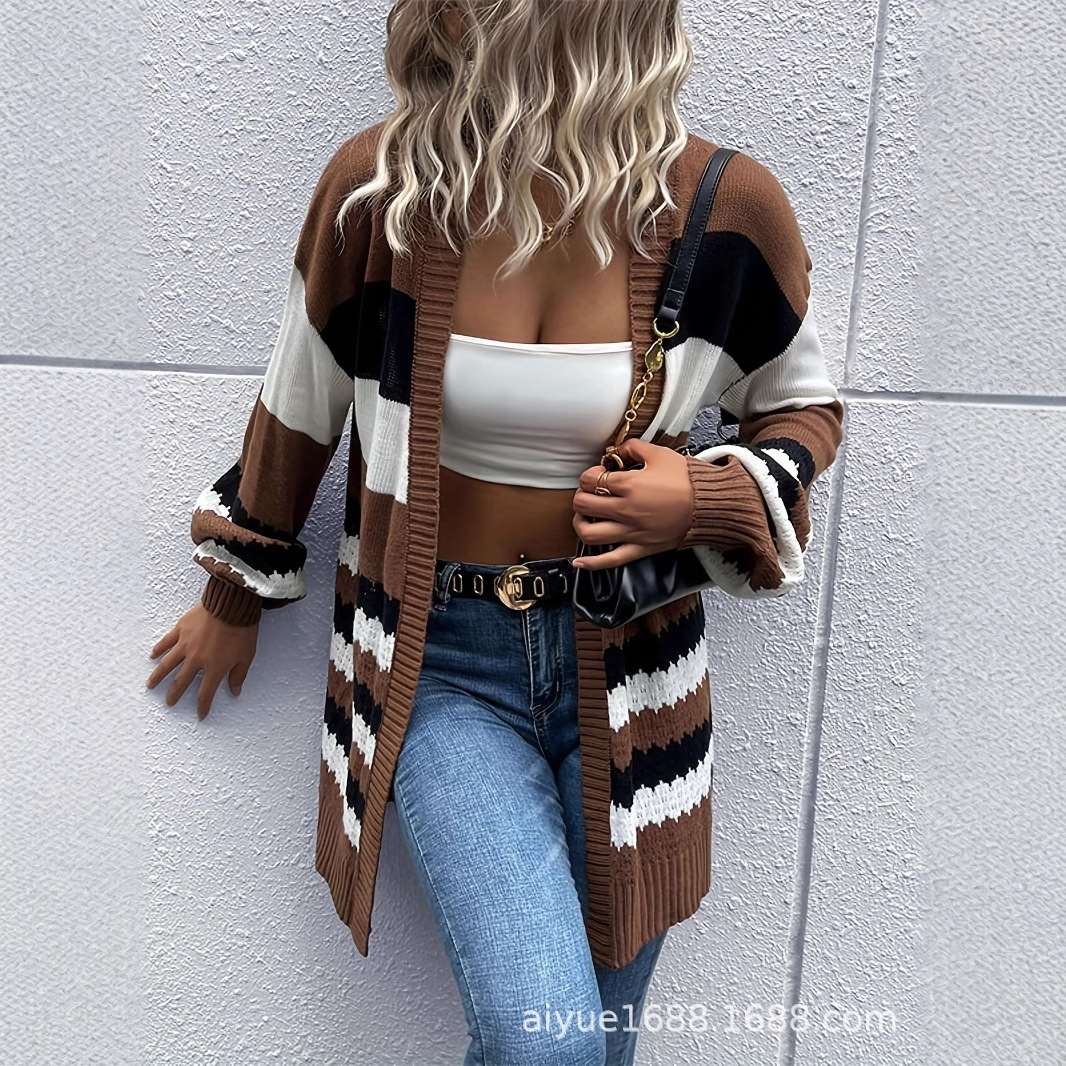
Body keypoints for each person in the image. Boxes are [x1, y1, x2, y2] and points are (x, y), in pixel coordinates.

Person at [146, 1, 845, 1063]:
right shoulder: (382, 191)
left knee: (594, 1043)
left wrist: (699, 499)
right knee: (545, 1042)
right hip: (438, 666)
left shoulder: (722, 207)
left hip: (635, 676)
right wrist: (233, 591)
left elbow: (803, 408)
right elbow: (300, 400)